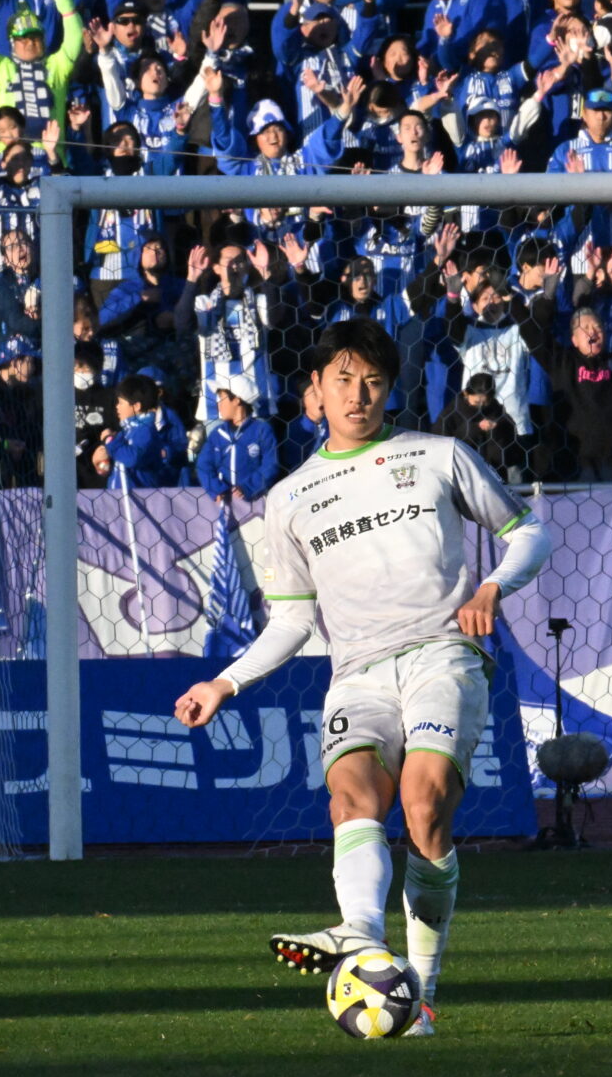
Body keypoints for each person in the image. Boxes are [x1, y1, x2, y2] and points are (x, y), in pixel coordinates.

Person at [173, 318, 552, 1038]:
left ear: (390, 389)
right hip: (356, 674)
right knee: (352, 798)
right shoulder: (289, 498)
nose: (358, 395)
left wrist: (492, 587)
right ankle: (362, 937)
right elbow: (292, 619)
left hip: (442, 653)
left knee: (424, 805)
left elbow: (529, 530)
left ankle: (420, 994)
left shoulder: (438, 455)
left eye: (373, 381)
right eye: (343, 380)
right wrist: (225, 683)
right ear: (314, 390)